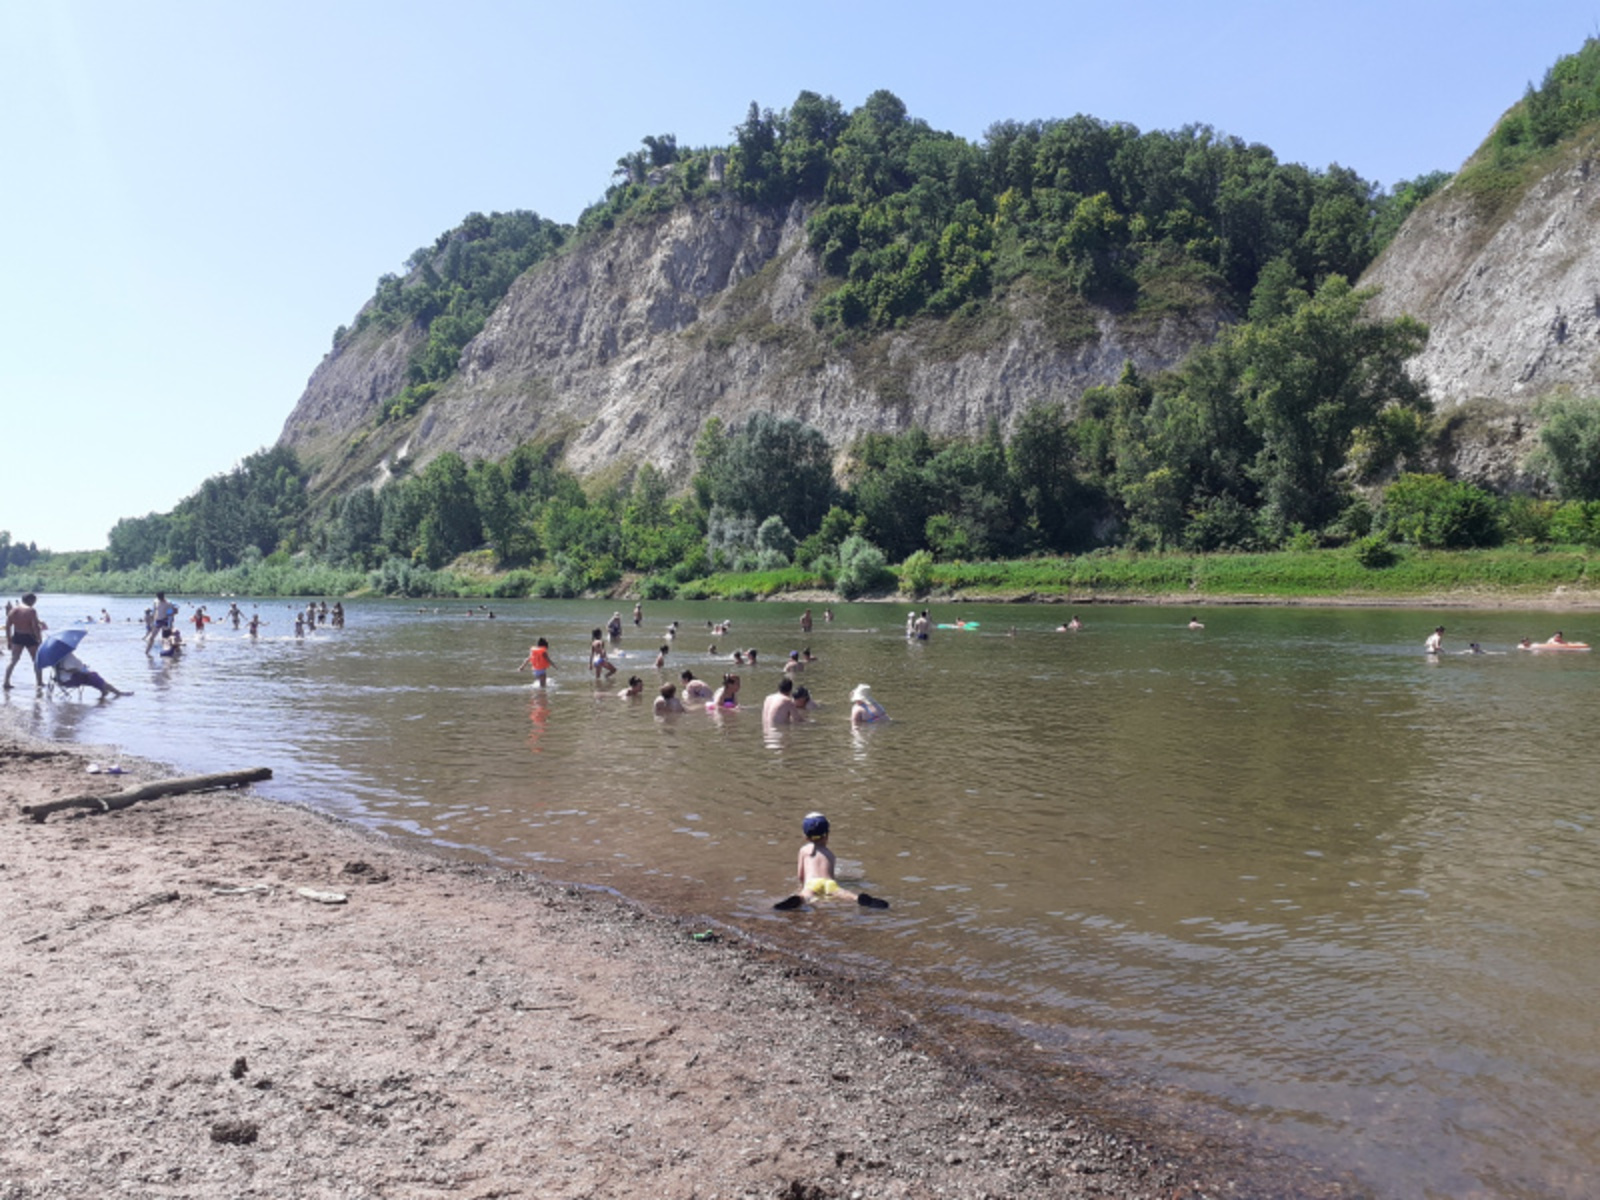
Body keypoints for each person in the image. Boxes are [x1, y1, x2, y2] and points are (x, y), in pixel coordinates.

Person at [772, 813, 888, 910]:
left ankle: (799, 899)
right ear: (827, 836)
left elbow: (800, 876)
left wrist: (801, 888)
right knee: (843, 893)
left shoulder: (804, 850)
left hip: (812, 883)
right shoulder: (830, 854)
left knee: (805, 895)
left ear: (805, 837)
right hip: (829, 884)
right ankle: (859, 899)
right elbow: (831, 876)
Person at [4, 592, 46, 689]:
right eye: (34, 601)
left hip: (17, 636)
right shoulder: (31, 611)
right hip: (29, 637)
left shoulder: (13, 610)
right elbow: (35, 627)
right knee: (36, 660)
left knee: (13, 660)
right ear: (30, 600)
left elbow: (8, 627)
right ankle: (39, 682)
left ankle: (6, 682)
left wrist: (9, 641)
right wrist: (39, 639)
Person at [51, 649, 129, 698]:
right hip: (70, 680)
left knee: (91, 676)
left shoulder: (54, 658)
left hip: (61, 681)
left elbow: (67, 669)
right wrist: (82, 670)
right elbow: (70, 668)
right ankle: (115, 692)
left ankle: (106, 691)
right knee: (93, 675)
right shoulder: (67, 656)